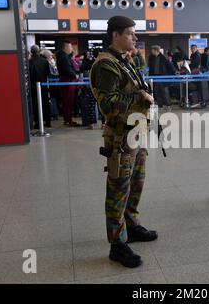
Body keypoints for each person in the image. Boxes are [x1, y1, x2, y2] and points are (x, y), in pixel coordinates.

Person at [89, 16, 157, 269]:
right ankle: (117, 244)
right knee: (118, 189)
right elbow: (109, 105)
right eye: (130, 33)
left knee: (136, 183)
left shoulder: (126, 60)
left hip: (136, 132)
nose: (135, 37)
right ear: (115, 35)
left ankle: (132, 225)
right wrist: (141, 97)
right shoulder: (106, 65)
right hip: (121, 137)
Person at [56, 40, 80, 126]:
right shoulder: (64, 57)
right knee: (68, 101)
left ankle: (67, 119)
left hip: (65, 80)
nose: (71, 48)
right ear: (65, 47)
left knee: (66, 101)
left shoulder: (62, 56)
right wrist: (75, 76)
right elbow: (67, 70)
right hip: (68, 81)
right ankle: (68, 120)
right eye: (70, 47)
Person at [28, 45, 51, 129]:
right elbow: (48, 73)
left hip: (33, 87)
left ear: (31, 52)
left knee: (36, 105)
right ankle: (48, 121)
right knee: (45, 103)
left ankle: (38, 123)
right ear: (38, 51)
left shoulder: (29, 62)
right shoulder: (44, 61)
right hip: (44, 85)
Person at [148, 45, 176, 110]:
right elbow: (150, 67)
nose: (151, 51)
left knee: (165, 92)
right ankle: (160, 105)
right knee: (157, 92)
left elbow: (170, 65)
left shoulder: (164, 57)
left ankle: (168, 105)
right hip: (154, 77)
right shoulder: (151, 57)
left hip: (163, 77)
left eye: (152, 50)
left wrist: (175, 72)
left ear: (156, 50)